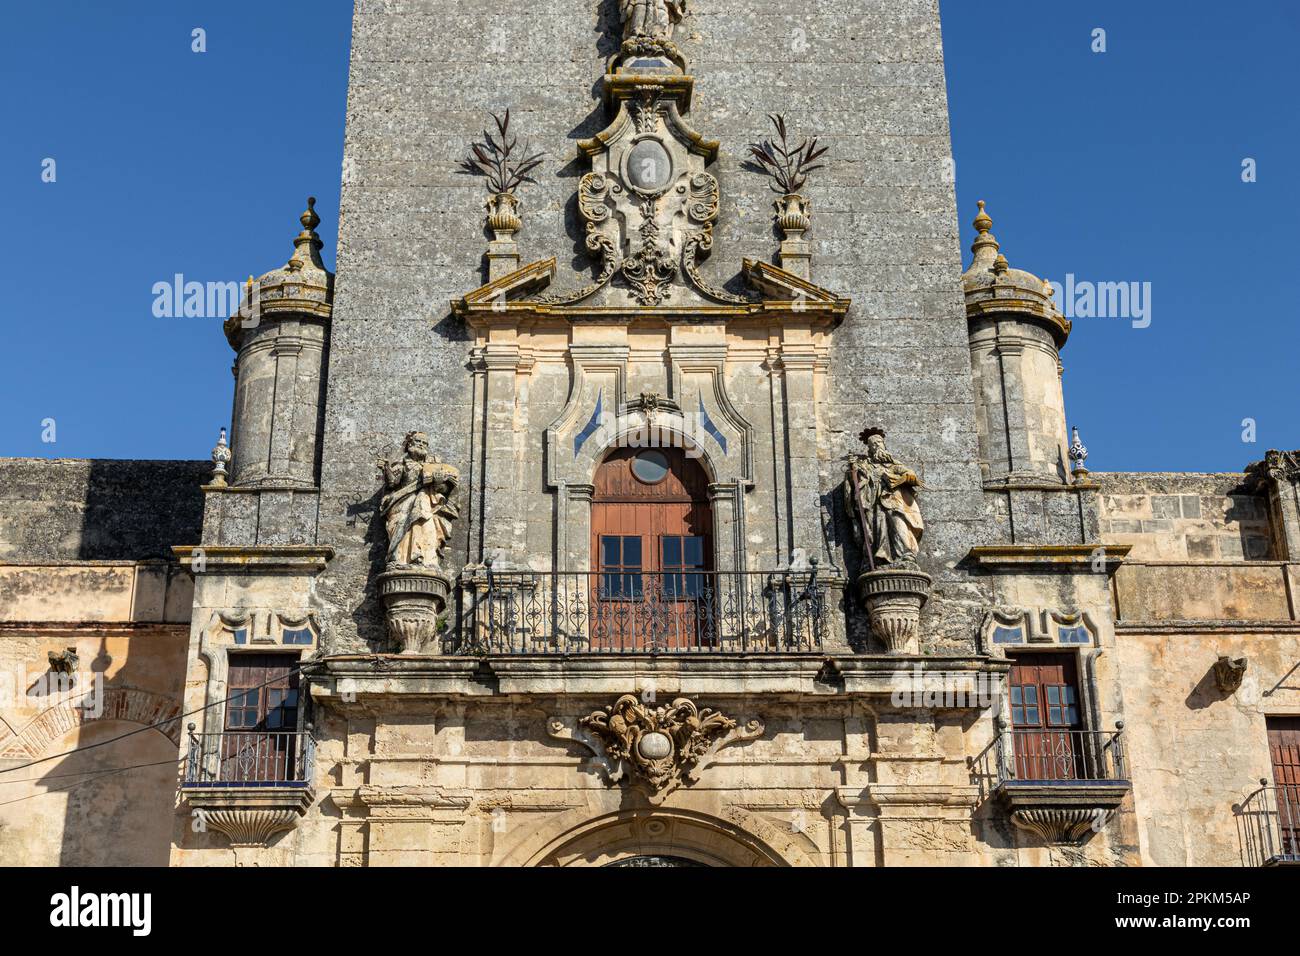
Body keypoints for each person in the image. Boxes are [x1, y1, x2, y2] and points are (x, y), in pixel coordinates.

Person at [377, 431, 459, 570]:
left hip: (427, 504)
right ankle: (400, 559)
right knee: (403, 525)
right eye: (418, 442)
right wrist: (386, 468)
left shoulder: (433, 465)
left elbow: (442, 489)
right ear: (409, 444)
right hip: (402, 502)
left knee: (427, 526)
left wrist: (439, 481)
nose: (421, 445)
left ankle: (426, 559)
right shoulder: (403, 464)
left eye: (424, 443)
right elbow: (392, 483)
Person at [844, 427, 924, 569]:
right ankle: (879, 559)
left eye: (879, 442)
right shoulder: (864, 465)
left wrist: (906, 476)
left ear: (884, 444)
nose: (877, 446)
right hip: (874, 503)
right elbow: (854, 483)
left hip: (894, 501)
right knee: (877, 530)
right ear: (869, 448)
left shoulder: (893, 463)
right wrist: (853, 472)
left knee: (899, 524)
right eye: (873, 444)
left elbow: (910, 474)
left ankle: (905, 554)